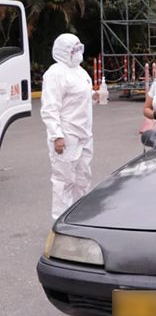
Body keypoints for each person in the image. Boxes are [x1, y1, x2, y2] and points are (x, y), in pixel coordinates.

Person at [40, 34, 95, 220]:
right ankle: (60, 221)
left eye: (80, 48)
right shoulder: (55, 73)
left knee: (82, 178)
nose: (78, 53)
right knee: (64, 181)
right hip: (67, 134)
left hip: (85, 133)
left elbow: (79, 98)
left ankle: (80, 218)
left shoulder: (80, 72)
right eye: (74, 50)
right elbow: (50, 107)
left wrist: (94, 96)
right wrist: (57, 135)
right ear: (64, 52)